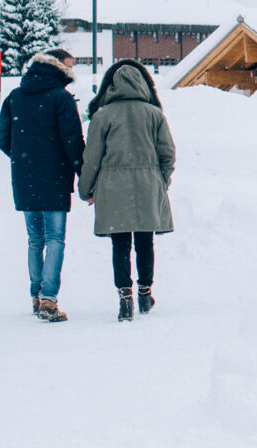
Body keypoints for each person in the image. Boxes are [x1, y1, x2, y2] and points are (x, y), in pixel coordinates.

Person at [79, 59, 177, 322]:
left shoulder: (102, 116)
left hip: (113, 188)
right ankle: (145, 292)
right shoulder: (154, 114)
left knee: (120, 244)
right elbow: (168, 153)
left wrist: (86, 189)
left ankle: (125, 298)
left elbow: (92, 158)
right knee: (145, 242)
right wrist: (161, 180)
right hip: (148, 186)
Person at [0, 49, 86, 323]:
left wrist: (23, 158)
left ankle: (36, 296)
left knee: (35, 239)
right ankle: (49, 298)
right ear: (60, 68)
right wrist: (83, 172)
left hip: (25, 178)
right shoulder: (61, 98)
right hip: (55, 177)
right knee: (55, 239)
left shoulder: (15, 96)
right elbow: (73, 141)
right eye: (70, 66)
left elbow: (1, 137)